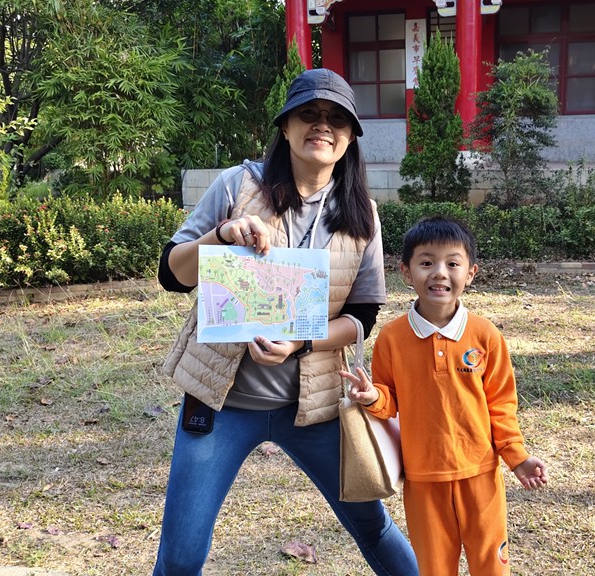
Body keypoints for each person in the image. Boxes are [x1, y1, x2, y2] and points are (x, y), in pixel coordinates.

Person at [152, 68, 418, 576]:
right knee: (181, 556)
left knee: (373, 527)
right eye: (309, 113)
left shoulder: (361, 213)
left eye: (337, 119)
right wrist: (221, 236)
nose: (323, 126)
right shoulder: (237, 185)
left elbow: (362, 317)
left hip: (315, 407)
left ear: (350, 137)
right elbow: (172, 274)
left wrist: (300, 343)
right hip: (222, 403)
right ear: (285, 126)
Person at [341, 216, 548, 576]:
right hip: (423, 479)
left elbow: (502, 405)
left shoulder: (485, 335)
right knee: (433, 568)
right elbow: (390, 401)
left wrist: (517, 458)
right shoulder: (392, 338)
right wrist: (372, 396)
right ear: (406, 272)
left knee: (491, 566)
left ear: (470, 273)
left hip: (480, 475)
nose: (439, 273)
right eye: (427, 262)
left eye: (452, 263)